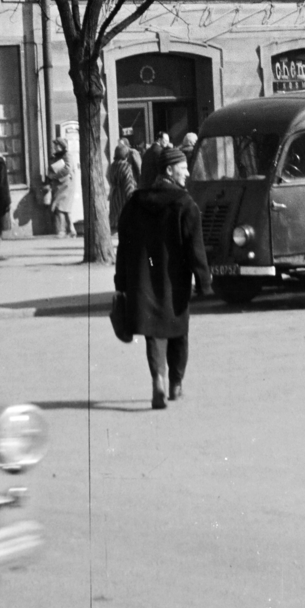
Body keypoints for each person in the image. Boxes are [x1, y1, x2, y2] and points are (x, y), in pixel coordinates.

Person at [113, 145, 210, 409]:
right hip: (175, 282)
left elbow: (124, 245)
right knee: (178, 331)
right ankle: (176, 386)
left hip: (142, 281)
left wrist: (121, 282)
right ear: (169, 170)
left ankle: (158, 380)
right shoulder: (185, 204)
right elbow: (195, 248)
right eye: (183, 167)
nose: (188, 173)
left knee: (153, 334)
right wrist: (204, 282)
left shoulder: (135, 203)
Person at [46, 139, 76, 238]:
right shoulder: (56, 156)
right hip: (59, 185)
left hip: (66, 185)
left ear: (62, 146)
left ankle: (62, 231)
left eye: (57, 145)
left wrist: (53, 176)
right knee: (64, 208)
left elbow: (67, 169)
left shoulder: (67, 155)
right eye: (55, 145)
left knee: (60, 207)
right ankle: (71, 230)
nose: (55, 147)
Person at [107, 138, 138, 233]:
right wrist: (132, 197)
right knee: (124, 217)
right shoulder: (126, 166)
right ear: (126, 155)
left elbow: (108, 177)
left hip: (114, 194)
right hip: (123, 196)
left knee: (115, 217)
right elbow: (129, 184)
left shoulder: (112, 166)